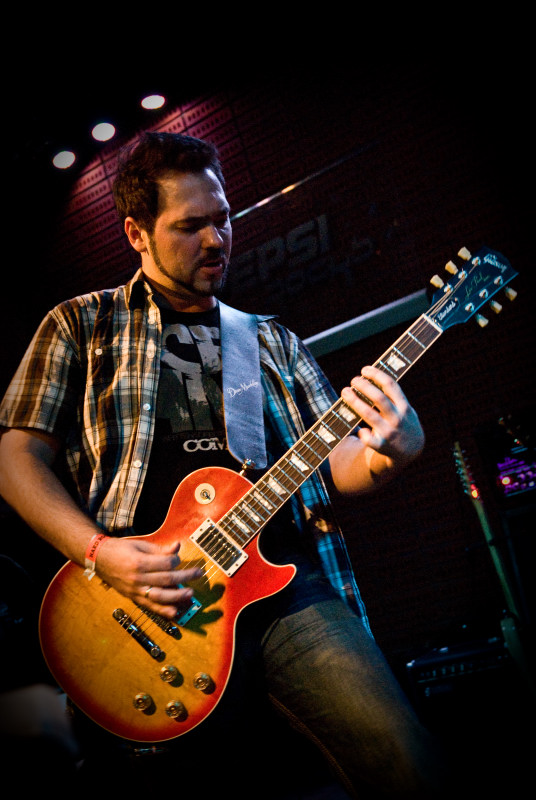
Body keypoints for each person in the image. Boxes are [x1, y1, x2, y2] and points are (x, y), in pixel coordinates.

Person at [0, 131, 451, 798]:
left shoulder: (269, 340)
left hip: (282, 591)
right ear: (137, 233)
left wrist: (392, 449)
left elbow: (337, 464)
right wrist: (99, 552)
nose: (216, 241)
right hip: (141, 604)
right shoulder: (79, 325)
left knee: (408, 761)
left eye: (223, 219)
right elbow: (17, 461)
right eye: (190, 226)